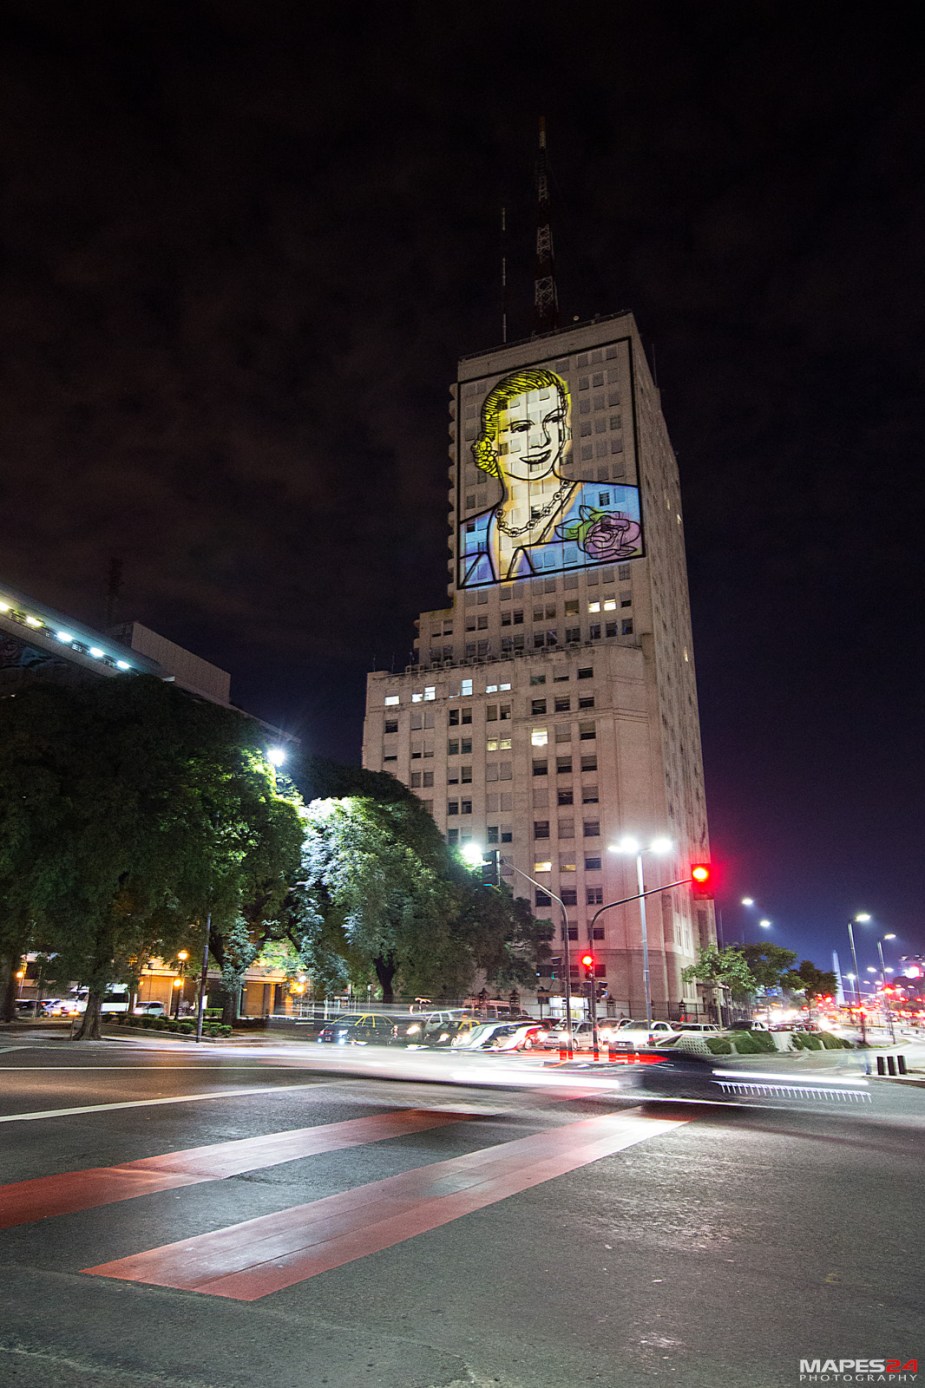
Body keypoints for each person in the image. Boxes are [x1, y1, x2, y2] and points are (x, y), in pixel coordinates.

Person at [459, 366, 642, 587]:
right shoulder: (468, 532)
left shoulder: (621, 501)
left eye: (553, 420)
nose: (541, 440)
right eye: (521, 428)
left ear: (564, 430)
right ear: (491, 443)